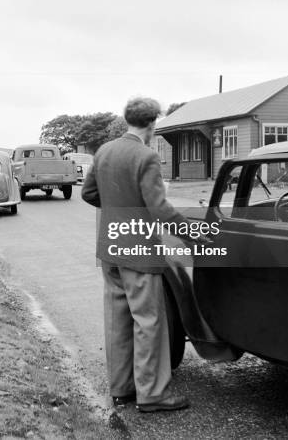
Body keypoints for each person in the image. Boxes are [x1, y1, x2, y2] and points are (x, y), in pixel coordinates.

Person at [81, 97, 191, 413]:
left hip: (111, 249)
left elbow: (89, 193)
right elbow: (161, 210)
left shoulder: (104, 151)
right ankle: (153, 395)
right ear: (153, 123)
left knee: (118, 319)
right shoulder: (147, 157)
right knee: (149, 321)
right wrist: (194, 237)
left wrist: (118, 208)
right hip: (139, 250)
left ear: (127, 119)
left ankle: (122, 390)